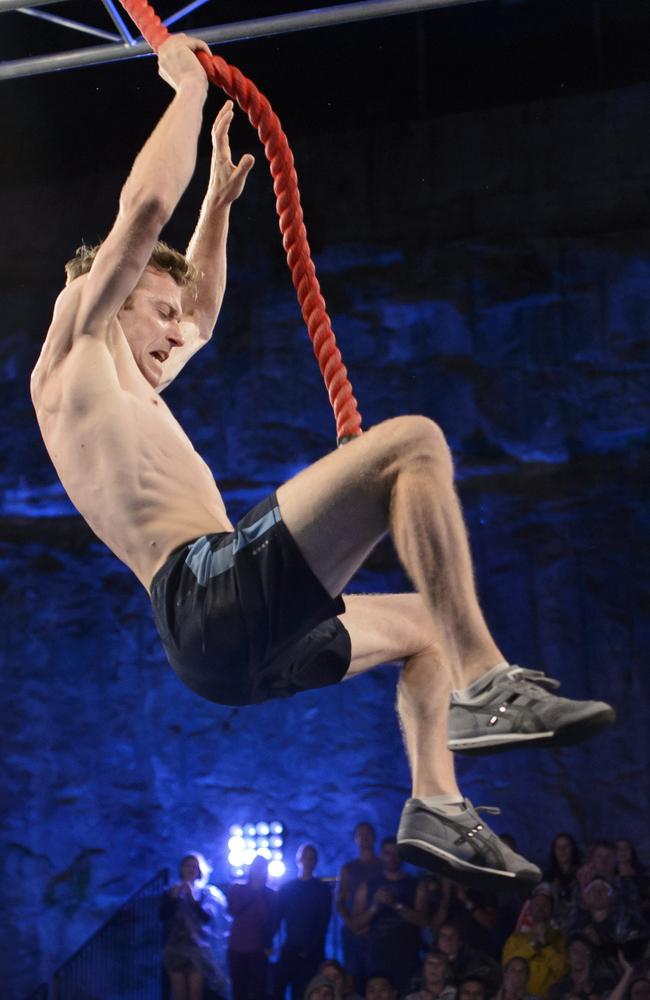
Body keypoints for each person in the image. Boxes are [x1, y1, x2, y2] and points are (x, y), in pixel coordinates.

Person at [32, 31, 615, 891]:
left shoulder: (131, 384)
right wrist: (185, 89)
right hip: (206, 596)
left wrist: (221, 207)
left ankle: (436, 804)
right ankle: (489, 681)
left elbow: (204, 312)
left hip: (230, 643)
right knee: (413, 441)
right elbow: (141, 215)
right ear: (111, 294)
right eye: (156, 311)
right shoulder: (74, 349)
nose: (174, 331)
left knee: (423, 627)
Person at [351, 835, 427, 995]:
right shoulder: (368, 886)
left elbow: (423, 920)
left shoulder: (415, 885)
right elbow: (355, 924)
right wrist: (374, 907)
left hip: (407, 958)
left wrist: (396, 905)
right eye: (387, 853)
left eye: (396, 853)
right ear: (381, 855)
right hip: (375, 958)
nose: (392, 858)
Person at [160, 853, 229, 1000]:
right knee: (179, 993)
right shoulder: (172, 891)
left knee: (195, 993)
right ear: (181, 868)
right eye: (187, 865)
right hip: (175, 947)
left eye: (194, 866)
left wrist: (193, 899)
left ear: (200, 870)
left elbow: (206, 918)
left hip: (197, 949)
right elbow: (163, 916)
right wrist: (172, 899)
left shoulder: (206, 893)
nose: (190, 869)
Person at [273, 843, 333, 1000]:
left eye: (311, 857)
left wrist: (310, 947)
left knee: (306, 990)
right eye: (305, 856)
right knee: (278, 988)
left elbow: (323, 921)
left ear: (315, 861)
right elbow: (276, 916)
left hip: (313, 951)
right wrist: (267, 941)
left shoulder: (322, 889)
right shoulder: (287, 888)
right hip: (291, 948)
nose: (308, 860)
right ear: (299, 860)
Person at [337, 823, 382, 991]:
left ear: (374, 837)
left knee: (376, 978)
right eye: (360, 834)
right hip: (353, 932)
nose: (364, 837)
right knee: (352, 979)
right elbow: (339, 901)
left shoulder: (382, 866)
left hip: (376, 931)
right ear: (355, 839)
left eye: (367, 834)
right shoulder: (348, 869)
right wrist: (352, 924)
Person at [227, 855, 277, 1000]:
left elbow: (271, 920)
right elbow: (232, 909)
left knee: (258, 990)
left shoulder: (271, 895)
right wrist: (254, 892)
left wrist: (269, 943)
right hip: (238, 947)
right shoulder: (237, 889)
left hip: (258, 948)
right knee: (239, 990)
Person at [502, 885, 566, 998]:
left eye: (545, 905)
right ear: (530, 908)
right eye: (536, 904)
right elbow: (506, 966)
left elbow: (563, 971)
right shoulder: (516, 939)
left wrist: (545, 944)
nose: (540, 908)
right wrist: (533, 945)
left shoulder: (560, 940)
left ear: (552, 909)